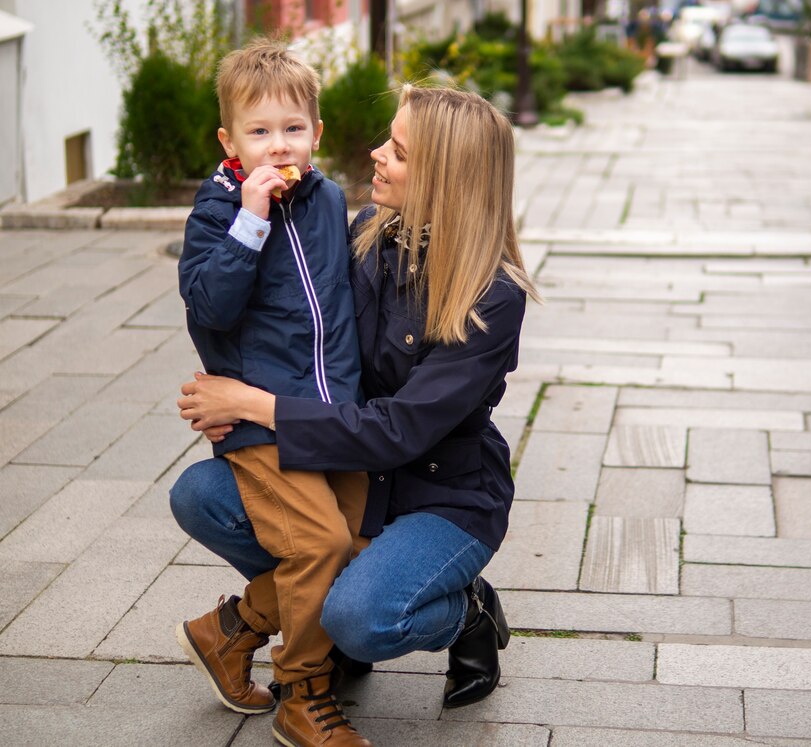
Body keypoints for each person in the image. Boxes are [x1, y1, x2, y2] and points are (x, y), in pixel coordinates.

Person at [170, 83, 539, 737]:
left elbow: (399, 429)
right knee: (203, 493)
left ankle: (465, 612)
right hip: (352, 471)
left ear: (442, 177)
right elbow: (292, 321)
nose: (374, 153)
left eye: (396, 150)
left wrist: (259, 404)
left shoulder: (493, 297)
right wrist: (227, 392)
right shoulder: (370, 232)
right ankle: (297, 618)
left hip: (439, 492)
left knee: (362, 616)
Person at [175, 39, 372, 747]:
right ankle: (303, 691)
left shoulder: (327, 200)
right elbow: (210, 306)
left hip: (331, 415)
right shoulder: (217, 211)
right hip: (261, 422)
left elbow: (344, 303)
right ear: (230, 142)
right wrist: (249, 221)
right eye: (259, 133)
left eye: (292, 129)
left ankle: (228, 631)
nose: (277, 146)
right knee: (319, 541)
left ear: (316, 134)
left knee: (349, 543)